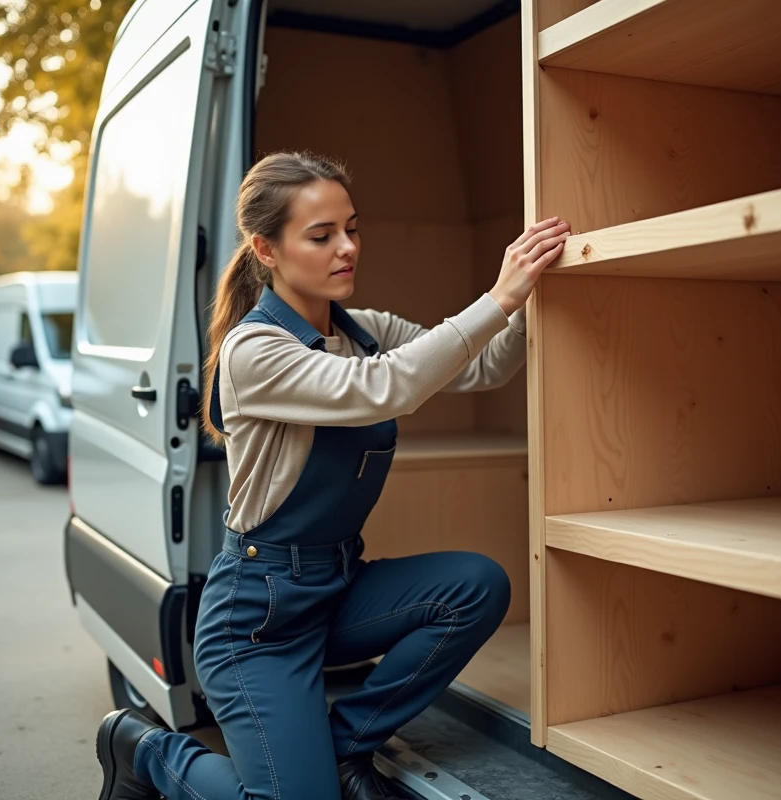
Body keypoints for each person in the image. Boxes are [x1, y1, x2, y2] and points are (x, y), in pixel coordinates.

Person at [94, 151, 570, 800]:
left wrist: (533, 296)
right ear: (266, 249)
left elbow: (481, 367)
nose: (346, 248)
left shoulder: (366, 332)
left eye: (352, 228)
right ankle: (148, 753)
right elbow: (387, 390)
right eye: (321, 236)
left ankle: (346, 745)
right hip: (257, 620)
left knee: (476, 586)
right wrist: (499, 295)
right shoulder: (255, 351)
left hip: (336, 589)